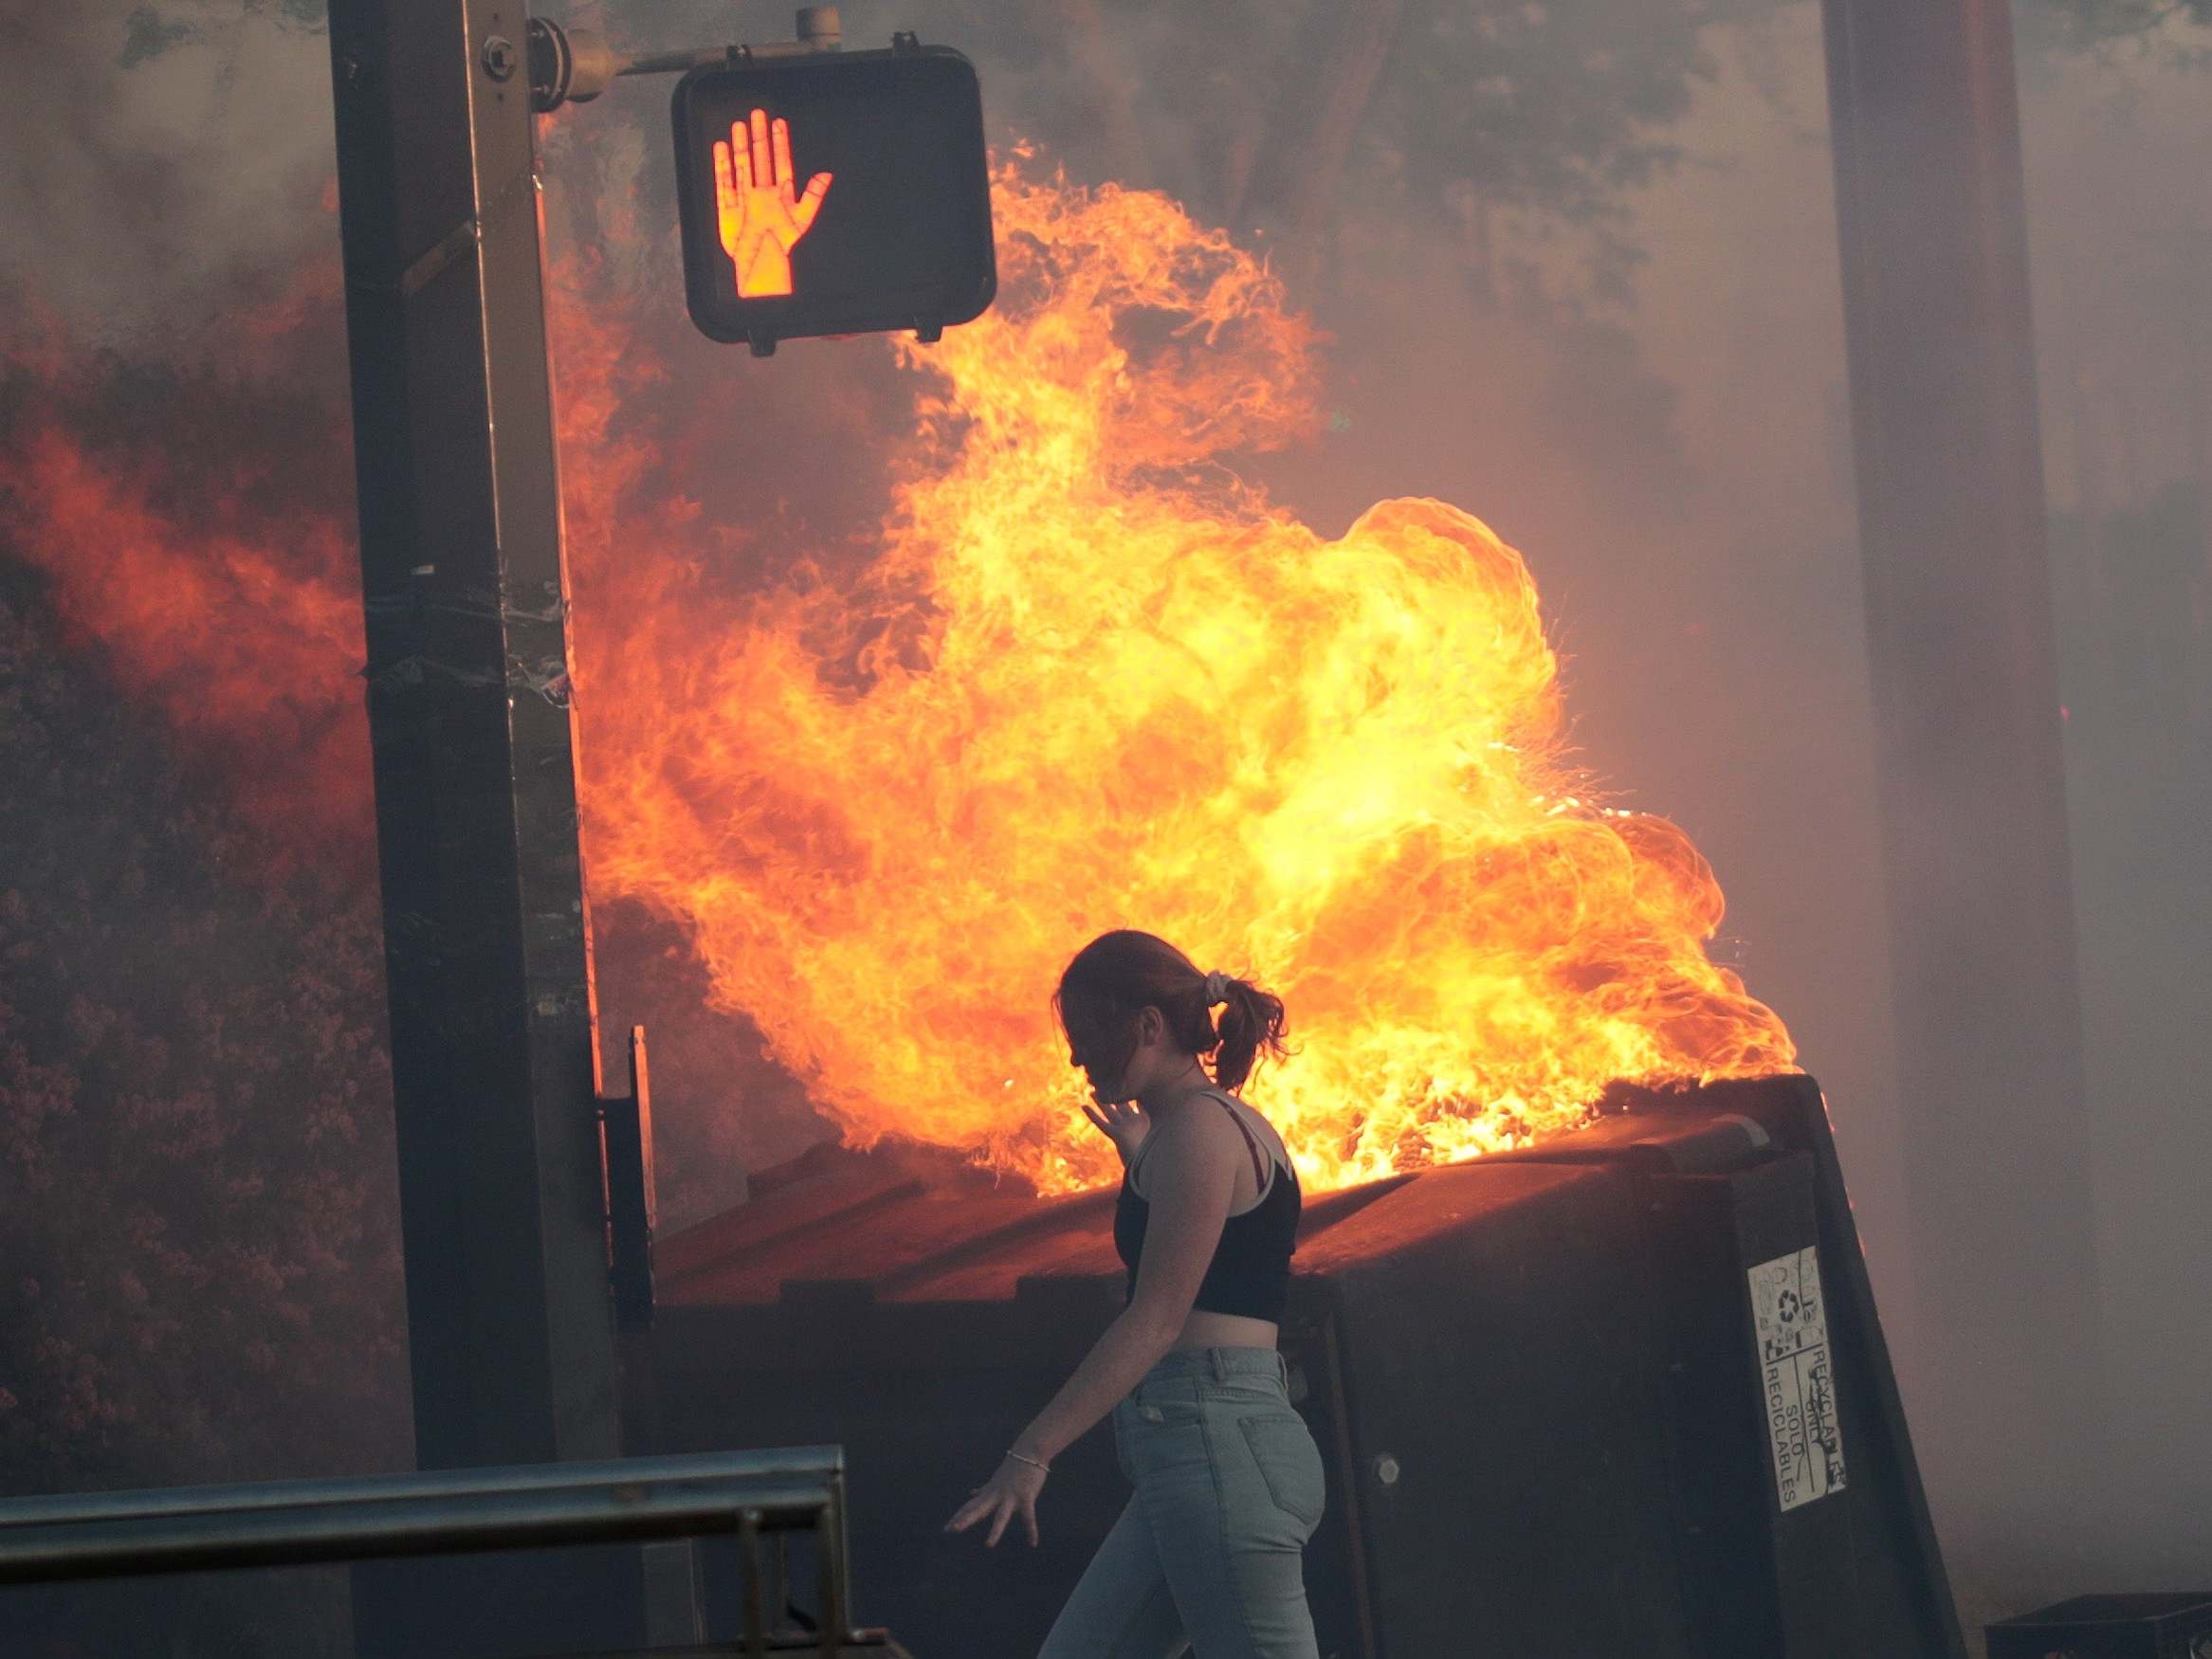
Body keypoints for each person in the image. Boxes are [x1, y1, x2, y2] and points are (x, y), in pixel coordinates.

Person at [944, 929, 1325, 1658]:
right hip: (1199, 1449)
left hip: (1216, 1445)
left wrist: (1030, 1455)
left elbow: (1155, 1320)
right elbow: (1219, 1257)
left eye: (1088, 1034)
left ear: (1148, 1026)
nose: (1076, 1057)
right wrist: (1142, 1159)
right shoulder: (1199, 1132)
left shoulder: (1201, 1134)